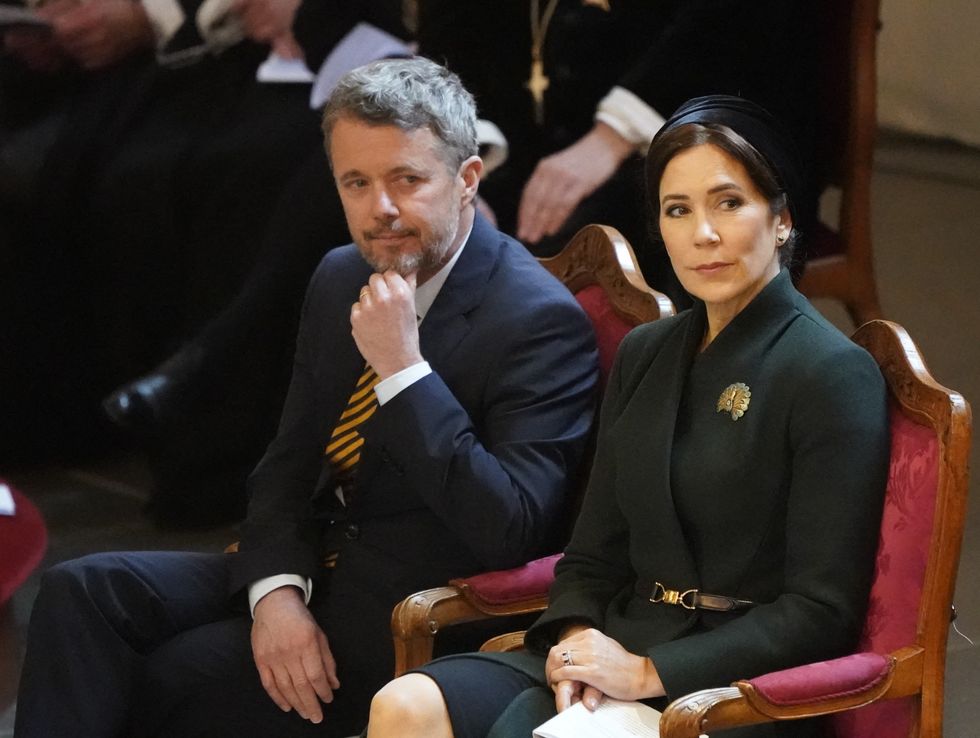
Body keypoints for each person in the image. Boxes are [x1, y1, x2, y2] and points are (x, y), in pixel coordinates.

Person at [14, 57, 599, 738]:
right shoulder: (340, 274)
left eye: (407, 180)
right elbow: (287, 464)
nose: (380, 209)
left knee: (172, 673)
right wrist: (276, 595)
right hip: (312, 569)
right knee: (79, 591)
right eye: (357, 183)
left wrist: (404, 371)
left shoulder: (537, 321)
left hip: (414, 613)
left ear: (467, 180)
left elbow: (513, 526)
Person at [364, 95, 891, 738]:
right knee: (403, 704)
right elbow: (591, 556)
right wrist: (582, 640)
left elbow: (820, 611)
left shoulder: (831, 371)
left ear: (781, 219)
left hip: (732, 687)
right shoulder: (648, 351)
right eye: (678, 210)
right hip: (617, 645)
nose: (703, 233)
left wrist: (648, 671)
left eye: (729, 203)